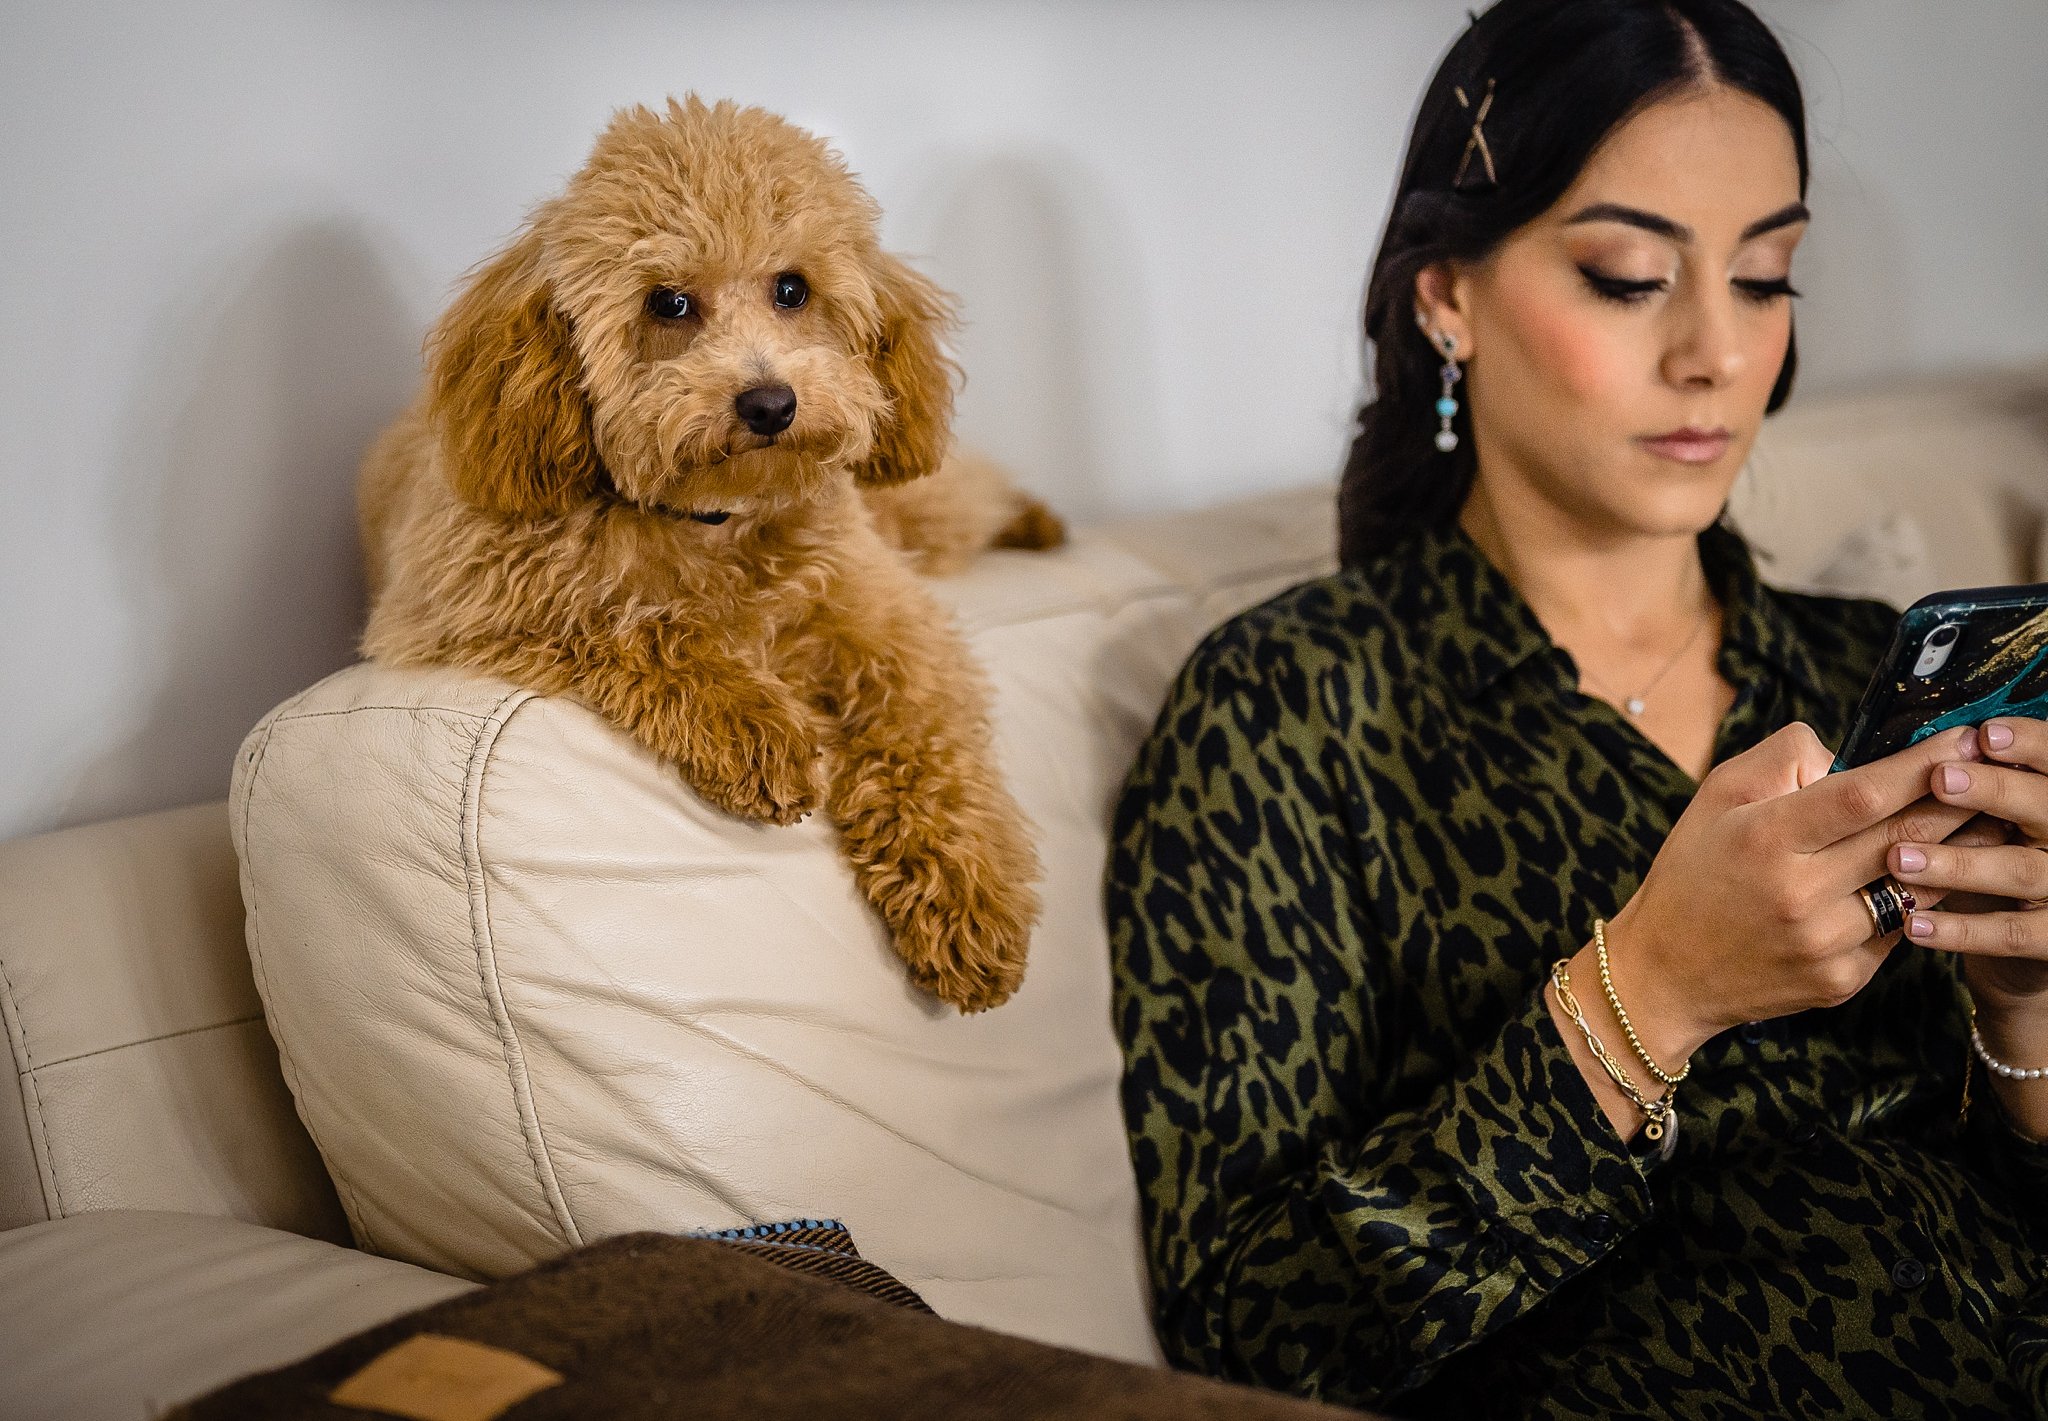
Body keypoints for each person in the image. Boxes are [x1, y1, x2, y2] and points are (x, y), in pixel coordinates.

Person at [1102, 2, 2048, 1417]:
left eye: (1767, 275)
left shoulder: (1867, 680)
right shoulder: (1290, 712)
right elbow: (1254, 1327)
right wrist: (1653, 990)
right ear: (1448, 297)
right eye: (1626, 276)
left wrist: (2023, 1012)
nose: (1719, 354)